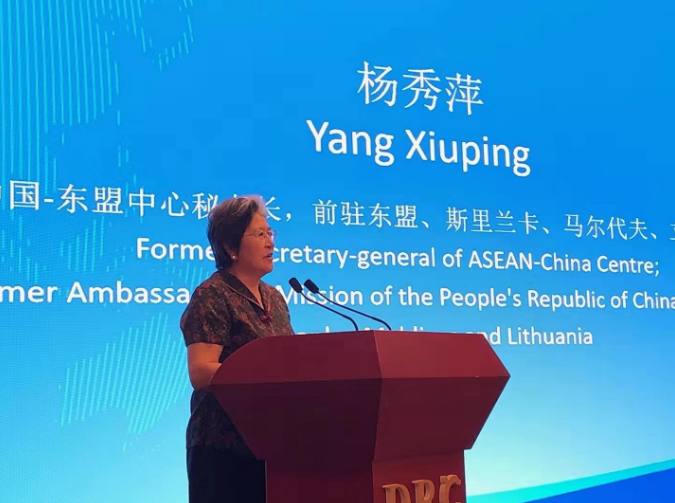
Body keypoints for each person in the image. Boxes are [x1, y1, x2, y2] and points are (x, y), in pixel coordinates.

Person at [179, 195, 294, 503]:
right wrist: (261, 373)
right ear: (230, 247)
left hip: (271, 443)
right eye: (260, 234)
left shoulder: (274, 298)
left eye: (270, 233)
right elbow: (201, 371)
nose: (270, 242)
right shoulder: (212, 295)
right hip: (223, 448)